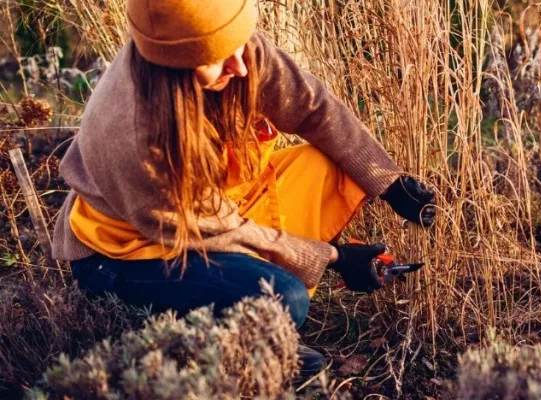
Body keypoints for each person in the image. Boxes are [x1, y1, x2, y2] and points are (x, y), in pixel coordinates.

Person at [50, 0, 435, 377]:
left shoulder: (234, 47)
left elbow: (313, 108)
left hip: (219, 208)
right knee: (282, 298)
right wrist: (333, 258)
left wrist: (388, 180)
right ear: (173, 68)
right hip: (130, 253)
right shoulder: (137, 137)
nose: (238, 65)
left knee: (331, 165)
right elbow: (221, 229)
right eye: (215, 58)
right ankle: (225, 346)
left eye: (238, 45)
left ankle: (244, 292)